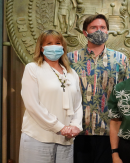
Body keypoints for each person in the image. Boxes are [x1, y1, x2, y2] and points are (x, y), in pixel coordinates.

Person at [68, 14, 130, 163]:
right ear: (85, 32)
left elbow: (126, 94)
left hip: (110, 132)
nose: (99, 31)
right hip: (79, 130)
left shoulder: (120, 59)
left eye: (102, 27)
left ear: (108, 31)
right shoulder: (70, 58)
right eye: (94, 27)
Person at [19, 30, 83, 163]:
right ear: (41, 48)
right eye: (49, 43)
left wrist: (76, 125)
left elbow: (77, 104)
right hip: (38, 137)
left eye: (58, 43)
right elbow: (32, 105)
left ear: (63, 47)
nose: (54, 46)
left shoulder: (72, 73)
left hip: (66, 140)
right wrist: (59, 127)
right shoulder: (33, 69)